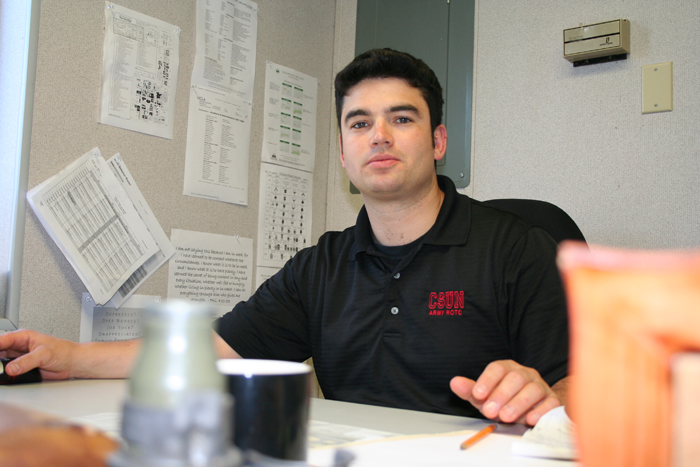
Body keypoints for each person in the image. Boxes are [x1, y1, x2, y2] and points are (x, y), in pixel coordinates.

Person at [0, 49, 568, 426]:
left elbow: (584, 391)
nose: (379, 137)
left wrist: (546, 397)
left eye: (402, 118)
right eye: (359, 122)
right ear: (344, 154)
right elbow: (206, 351)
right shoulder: (320, 267)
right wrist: (70, 356)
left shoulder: (519, 249)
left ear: (438, 140)